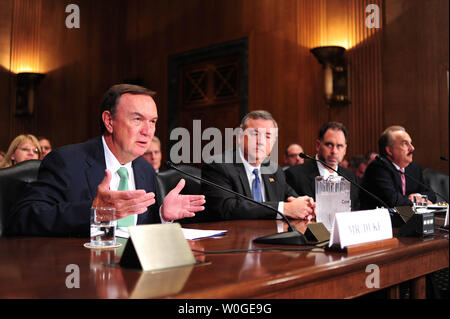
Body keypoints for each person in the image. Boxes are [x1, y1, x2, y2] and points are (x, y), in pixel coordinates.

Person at [6, 84, 205, 236]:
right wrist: (95, 212)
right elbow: (23, 217)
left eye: (152, 122)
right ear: (109, 121)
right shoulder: (67, 161)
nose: (148, 131)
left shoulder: (144, 168)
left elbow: (139, 231)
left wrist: (162, 216)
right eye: (137, 119)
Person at [201, 110, 315, 221]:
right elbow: (227, 208)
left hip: (271, 236)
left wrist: (307, 206)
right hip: (233, 237)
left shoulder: (274, 170)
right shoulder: (218, 166)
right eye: (254, 134)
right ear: (240, 137)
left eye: (268, 136)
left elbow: (293, 199)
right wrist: (282, 209)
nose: (261, 141)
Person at [285, 122, 359, 210]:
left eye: (339, 146)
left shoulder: (351, 178)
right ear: (318, 145)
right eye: (329, 145)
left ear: (345, 150)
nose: (334, 151)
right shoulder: (295, 175)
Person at [360, 126, 436, 209]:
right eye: (405, 143)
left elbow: (432, 195)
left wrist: (417, 196)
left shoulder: (414, 168)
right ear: (389, 150)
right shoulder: (378, 168)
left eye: (410, 143)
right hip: (382, 219)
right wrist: (415, 201)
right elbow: (393, 201)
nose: (412, 148)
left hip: (405, 216)